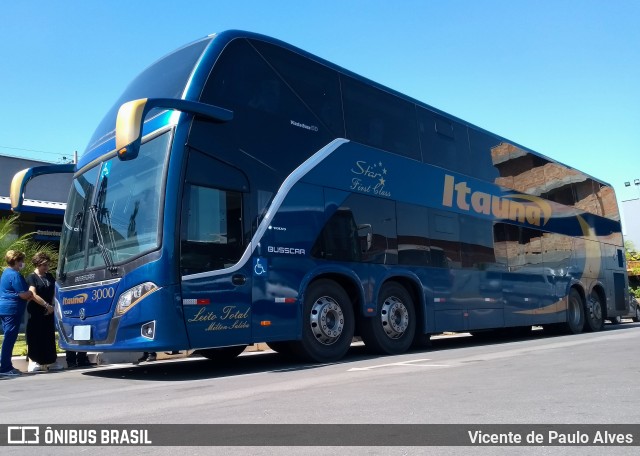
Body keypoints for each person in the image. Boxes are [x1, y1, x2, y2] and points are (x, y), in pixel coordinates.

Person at [25, 252, 63, 372]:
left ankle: (51, 361)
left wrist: (51, 306)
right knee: (35, 335)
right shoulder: (31, 277)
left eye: (47, 265)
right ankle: (33, 361)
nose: (46, 267)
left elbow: (54, 291)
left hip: (49, 311)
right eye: (44, 265)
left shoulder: (49, 276)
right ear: (37, 264)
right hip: (36, 311)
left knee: (48, 336)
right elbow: (32, 294)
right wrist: (46, 305)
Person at [0, 250, 33, 377]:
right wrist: (29, 294)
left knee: (7, 337)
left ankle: (5, 365)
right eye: (21, 261)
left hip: (5, 309)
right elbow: (24, 294)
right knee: (10, 338)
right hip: (12, 310)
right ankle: (5, 367)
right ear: (16, 261)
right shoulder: (15, 275)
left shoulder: (5, 273)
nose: (23, 263)